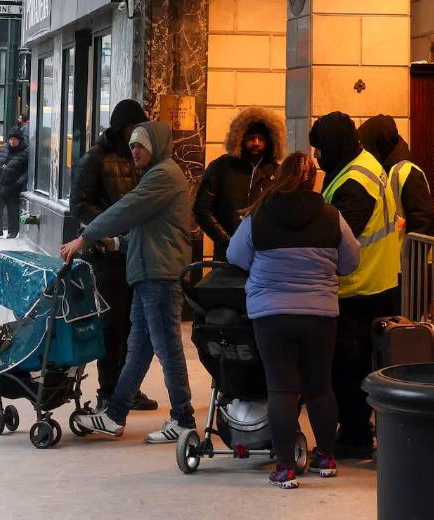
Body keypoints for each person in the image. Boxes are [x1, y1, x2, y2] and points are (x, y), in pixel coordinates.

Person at [227, 152, 360, 489]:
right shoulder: (331, 215)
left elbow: (235, 255)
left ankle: (285, 468)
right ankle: (326, 458)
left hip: (272, 315)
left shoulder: (260, 213)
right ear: (313, 178)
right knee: (319, 387)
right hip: (320, 315)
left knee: (282, 389)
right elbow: (351, 260)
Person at [62, 121, 195, 444]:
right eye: (132, 145)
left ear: (158, 146)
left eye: (142, 145)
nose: (135, 150)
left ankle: (183, 419)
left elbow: (126, 209)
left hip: (159, 276)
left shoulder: (164, 175)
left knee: (168, 349)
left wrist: (85, 237)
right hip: (149, 272)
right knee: (138, 349)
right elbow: (147, 228)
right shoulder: (156, 175)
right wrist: (117, 245)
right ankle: (114, 414)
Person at [309, 111, 401, 459]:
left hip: (360, 288)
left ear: (334, 145)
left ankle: (355, 436)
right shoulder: (360, 164)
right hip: (375, 281)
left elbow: (340, 234)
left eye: (320, 149)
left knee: (348, 367)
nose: (318, 157)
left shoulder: (355, 180)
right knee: (354, 365)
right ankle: (354, 429)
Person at [69, 99, 158, 412]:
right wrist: (112, 222)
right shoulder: (96, 157)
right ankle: (109, 390)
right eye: (132, 127)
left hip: (135, 249)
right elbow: (78, 205)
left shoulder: (143, 159)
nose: (136, 134)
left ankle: (127, 387)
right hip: (106, 254)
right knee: (113, 323)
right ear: (121, 127)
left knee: (136, 324)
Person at [193, 107, 285, 260]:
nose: (256, 143)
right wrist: (226, 241)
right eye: (251, 137)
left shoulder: (277, 173)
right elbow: (202, 210)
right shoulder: (221, 167)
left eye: (261, 138)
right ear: (240, 138)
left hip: (262, 257)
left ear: (270, 141)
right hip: (226, 256)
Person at [358, 114, 434, 235]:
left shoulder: (407, 172)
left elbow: (422, 223)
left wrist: (410, 254)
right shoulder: (385, 170)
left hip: (406, 252)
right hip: (395, 252)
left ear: (378, 145)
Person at [0, 126, 28, 238]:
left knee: (12, 210)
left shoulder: (25, 152)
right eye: (11, 139)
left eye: (15, 139)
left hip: (13, 186)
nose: (13, 141)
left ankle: (12, 232)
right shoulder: (2, 148)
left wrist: (19, 183)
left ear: (20, 140)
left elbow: (27, 171)